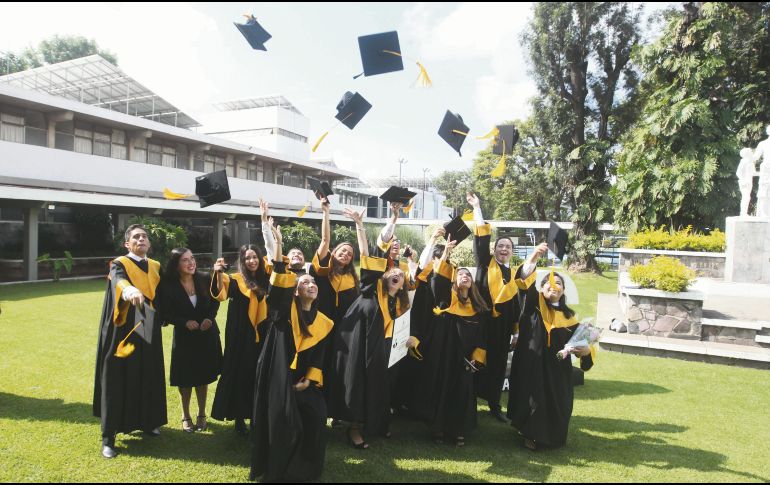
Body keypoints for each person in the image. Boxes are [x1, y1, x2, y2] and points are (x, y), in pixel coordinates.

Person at [249, 224, 333, 483]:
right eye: (304, 282)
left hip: (304, 378)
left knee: (317, 417)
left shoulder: (324, 321)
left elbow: (320, 356)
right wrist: (279, 247)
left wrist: (310, 378)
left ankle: (304, 469)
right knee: (282, 423)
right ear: (295, 291)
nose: (311, 284)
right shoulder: (282, 312)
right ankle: (277, 470)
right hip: (278, 373)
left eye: (313, 282)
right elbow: (278, 291)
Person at [507, 243, 594, 450]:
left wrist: (587, 351)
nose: (553, 287)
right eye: (548, 284)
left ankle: (553, 436)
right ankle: (530, 434)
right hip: (532, 364)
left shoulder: (569, 317)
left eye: (558, 285)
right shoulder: (532, 304)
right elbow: (523, 281)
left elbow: (582, 341)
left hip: (557, 368)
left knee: (559, 401)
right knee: (533, 400)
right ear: (541, 288)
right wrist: (534, 257)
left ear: (563, 291)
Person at [327, 245, 412, 449]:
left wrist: (410, 339)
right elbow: (368, 259)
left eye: (401, 276)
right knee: (361, 384)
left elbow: (405, 328)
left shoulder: (402, 304)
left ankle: (378, 424)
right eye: (393, 273)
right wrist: (360, 227)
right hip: (364, 345)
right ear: (384, 277)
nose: (397, 276)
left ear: (402, 285)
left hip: (389, 349)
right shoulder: (374, 292)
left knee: (384, 387)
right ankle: (354, 429)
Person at [93, 224, 166, 458]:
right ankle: (109, 437)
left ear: (149, 243)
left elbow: (165, 293)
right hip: (122, 326)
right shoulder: (119, 263)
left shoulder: (155, 266)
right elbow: (119, 281)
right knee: (116, 376)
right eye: (136, 237)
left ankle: (147, 422)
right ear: (128, 244)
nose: (141, 239)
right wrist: (129, 291)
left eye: (144, 236)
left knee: (148, 372)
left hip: (147, 325)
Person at [412, 237, 489, 447]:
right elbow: (439, 278)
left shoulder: (477, 309)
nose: (464, 276)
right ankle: (437, 428)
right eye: (460, 274)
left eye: (468, 275)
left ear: (472, 282)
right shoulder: (445, 302)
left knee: (462, 393)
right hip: (443, 355)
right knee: (441, 389)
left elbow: (482, 338)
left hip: (464, 360)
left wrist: (477, 359)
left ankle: (458, 430)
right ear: (454, 281)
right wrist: (445, 251)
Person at [467, 192, 520, 423]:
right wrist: (477, 208)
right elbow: (482, 238)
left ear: (512, 251)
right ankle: (469, 402)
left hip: (503, 327)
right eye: (500, 246)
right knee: (477, 361)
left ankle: (494, 405)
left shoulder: (514, 273)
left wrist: (516, 330)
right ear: (495, 249)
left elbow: (517, 304)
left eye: (507, 247)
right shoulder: (485, 263)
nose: (503, 249)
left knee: (498, 366)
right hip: (482, 322)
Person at [158, 248, 222, 433]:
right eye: (185, 260)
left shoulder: (203, 278)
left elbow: (216, 300)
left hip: (206, 336)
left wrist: (210, 318)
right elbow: (166, 314)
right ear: (176, 264)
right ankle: (186, 416)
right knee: (184, 379)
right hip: (184, 338)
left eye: (192, 258)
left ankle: (202, 414)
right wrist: (184, 322)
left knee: (203, 377)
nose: (191, 262)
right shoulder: (168, 285)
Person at [210, 244, 270, 435]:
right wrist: (218, 273)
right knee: (239, 373)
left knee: (257, 374)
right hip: (240, 334)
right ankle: (238, 417)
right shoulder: (236, 280)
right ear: (242, 261)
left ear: (260, 259)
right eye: (247, 258)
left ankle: (255, 417)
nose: (251, 261)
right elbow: (220, 295)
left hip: (263, 332)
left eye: (254, 257)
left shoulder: (267, 278)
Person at [260, 198, 308, 275]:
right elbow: (271, 248)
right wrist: (264, 221)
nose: (296, 255)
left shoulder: (310, 275)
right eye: (293, 253)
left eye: (299, 253)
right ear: (286, 259)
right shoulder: (280, 273)